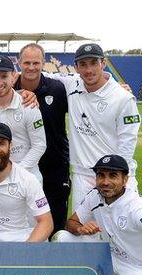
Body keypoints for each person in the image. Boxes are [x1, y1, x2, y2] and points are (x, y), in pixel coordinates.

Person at [46, 43, 140, 210]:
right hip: (84, 176)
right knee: (82, 231)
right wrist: (14, 76)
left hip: (114, 175)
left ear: (103, 63)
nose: (88, 70)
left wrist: (113, 176)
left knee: (122, 231)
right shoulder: (72, 84)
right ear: (76, 67)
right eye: (83, 64)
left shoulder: (123, 98)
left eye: (93, 63)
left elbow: (127, 142)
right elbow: (38, 75)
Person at [52, 155, 142, 275]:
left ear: (125, 180)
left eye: (113, 175)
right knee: (61, 238)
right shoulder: (95, 196)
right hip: (108, 258)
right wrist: (80, 229)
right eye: (101, 175)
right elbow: (71, 222)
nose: (105, 182)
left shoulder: (135, 206)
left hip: (136, 267)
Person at [15, 43, 70, 234]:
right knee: (23, 223)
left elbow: (87, 94)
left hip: (54, 167)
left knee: (56, 225)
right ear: (19, 62)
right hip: (23, 166)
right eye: (27, 62)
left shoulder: (57, 88)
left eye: (36, 63)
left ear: (43, 63)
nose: (31, 67)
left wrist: (113, 83)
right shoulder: (8, 89)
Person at [0, 123, 53, 242]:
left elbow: (46, 222)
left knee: (42, 241)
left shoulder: (27, 179)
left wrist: (24, 252)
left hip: (19, 236)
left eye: (1, 143)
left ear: (10, 146)